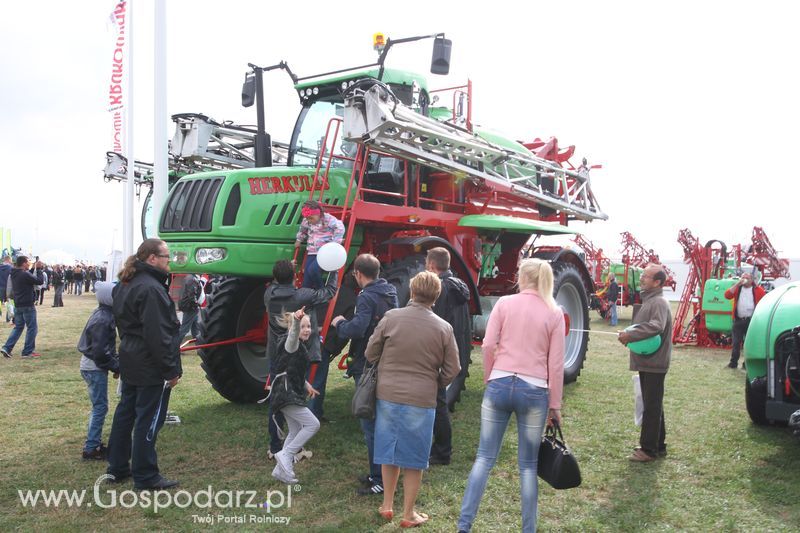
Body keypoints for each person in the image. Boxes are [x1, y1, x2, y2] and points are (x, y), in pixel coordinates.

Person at [458, 258, 565, 533]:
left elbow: (488, 346)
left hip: (500, 383)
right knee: (528, 466)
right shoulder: (554, 312)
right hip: (535, 390)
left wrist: (489, 378)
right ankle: (528, 529)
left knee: (484, 458)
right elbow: (556, 363)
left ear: (521, 277)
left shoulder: (504, 304)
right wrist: (555, 405)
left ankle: (464, 526)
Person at [366, 271, 460, 527]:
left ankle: (386, 504)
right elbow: (454, 368)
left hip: (388, 394)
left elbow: (370, 351)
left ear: (411, 290)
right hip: (422, 397)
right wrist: (435, 383)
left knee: (388, 451)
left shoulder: (391, 317)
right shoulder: (443, 327)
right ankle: (408, 513)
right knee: (414, 459)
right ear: (436, 295)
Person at [106, 239, 182, 490]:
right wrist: (170, 370)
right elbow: (158, 334)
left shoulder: (126, 284)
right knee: (148, 419)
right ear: (152, 258)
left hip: (131, 356)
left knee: (125, 414)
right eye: (166, 257)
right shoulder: (150, 289)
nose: (168, 261)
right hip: (148, 362)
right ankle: (146, 475)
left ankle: (117, 467)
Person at [331, 253, 397, 496]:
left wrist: (339, 323)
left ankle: (379, 479)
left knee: (369, 421)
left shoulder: (367, 296)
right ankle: (377, 472)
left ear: (358, 274)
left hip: (367, 364)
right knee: (381, 421)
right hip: (386, 361)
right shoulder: (391, 292)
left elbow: (357, 329)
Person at [263, 259, 337, 459]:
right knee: (297, 394)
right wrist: (334, 269)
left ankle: (276, 446)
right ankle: (294, 446)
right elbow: (329, 292)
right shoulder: (302, 295)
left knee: (276, 399)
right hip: (296, 354)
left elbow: (278, 281)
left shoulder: (269, 294)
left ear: (275, 277)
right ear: (295, 276)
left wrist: (287, 269)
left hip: (276, 354)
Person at [617, 263, 673, 462]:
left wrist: (630, 335)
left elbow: (656, 327)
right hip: (649, 362)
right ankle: (658, 445)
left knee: (651, 406)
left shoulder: (658, 302)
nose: (642, 278)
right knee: (654, 404)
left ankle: (648, 450)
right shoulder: (651, 301)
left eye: (646, 276)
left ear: (657, 282)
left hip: (654, 363)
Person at [425, 247, 472, 466]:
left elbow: (436, 323)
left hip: (441, 353)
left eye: (427, 264)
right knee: (438, 402)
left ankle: (442, 451)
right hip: (457, 348)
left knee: (438, 404)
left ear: (432, 266)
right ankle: (439, 447)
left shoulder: (440, 289)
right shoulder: (459, 284)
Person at [269, 307, 321, 484]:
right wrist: (297, 322)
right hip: (286, 394)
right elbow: (293, 338)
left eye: (309, 326)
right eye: (303, 326)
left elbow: (291, 370)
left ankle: (281, 470)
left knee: (296, 429)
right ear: (293, 329)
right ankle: (286, 455)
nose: (307, 330)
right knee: (313, 424)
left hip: (289, 392)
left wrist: (307, 386)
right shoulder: (291, 343)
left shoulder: (299, 347)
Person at [78, 281, 120, 460]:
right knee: (100, 407)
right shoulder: (103, 319)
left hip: (93, 366)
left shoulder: (103, 314)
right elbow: (101, 353)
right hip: (94, 367)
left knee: (99, 406)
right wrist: (117, 367)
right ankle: (91, 447)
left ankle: (93, 444)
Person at [294, 200, 345, 289]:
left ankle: (321, 291)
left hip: (324, 252)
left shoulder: (327, 219)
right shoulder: (306, 221)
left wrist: (335, 242)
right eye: (307, 218)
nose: (309, 220)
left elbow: (340, 227)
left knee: (313, 270)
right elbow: (302, 230)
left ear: (319, 214)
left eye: (311, 218)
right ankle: (305, 295)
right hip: (312, 251)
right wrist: (299, 239)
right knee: (307, 275)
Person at [1, 256, 45, 358]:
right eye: (28, 262)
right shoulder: (24, 274)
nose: (29, 264)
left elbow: (30, 277)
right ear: (23, 263)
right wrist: (38, 269)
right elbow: (39, 281)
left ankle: (7, 347)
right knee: (32, 328)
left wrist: (33, 269)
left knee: (18, 327)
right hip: (27, 304)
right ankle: (27, 351)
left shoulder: (14, 273)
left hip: (18, 304)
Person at [724, 272, 765, 369]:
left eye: (747, 278)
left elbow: (763, 303)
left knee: (749, 343)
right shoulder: (738, 288)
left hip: (751, 321)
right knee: (736, 343)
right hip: (738, 320)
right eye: (743, 277)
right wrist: (738, 283)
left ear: (752, 280)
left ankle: (746, 364)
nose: (744, 279)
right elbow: (727, 295)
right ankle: (733, 363)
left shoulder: (758, 290)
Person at [177, 274, 203, 342]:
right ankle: (174, 348)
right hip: (191, 307)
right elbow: (192, 295)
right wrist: (196, 304)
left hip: (189, 306)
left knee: (195, 329)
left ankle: (199, 347)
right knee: (184, 329)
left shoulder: (189, 278)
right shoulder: (192, 279)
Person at [0, 255, 11, 322]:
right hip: (8, 288)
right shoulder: (10, 268)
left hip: (0, 287)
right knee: (9, 303)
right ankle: (8, 318)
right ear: (9, 260)